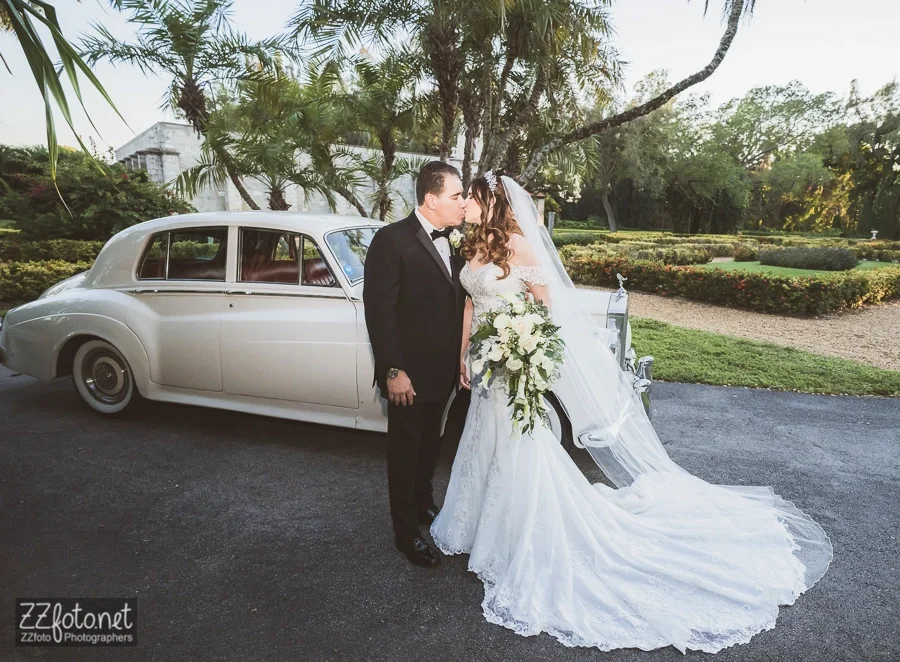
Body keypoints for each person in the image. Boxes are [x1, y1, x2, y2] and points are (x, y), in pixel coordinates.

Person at [429, 172, 833, 654]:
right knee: (483, 439)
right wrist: (464, 354)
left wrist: (524, 347)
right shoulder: (472, 245)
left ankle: (519, 533)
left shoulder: (518, 245)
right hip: (483, 362)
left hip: (512, 360)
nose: (464, 205)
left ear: (490, 202)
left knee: (518, 443)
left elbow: (544, 307)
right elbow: (471, 305)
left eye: (469, 198)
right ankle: (478, 525)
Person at [363, 160, 467, 567]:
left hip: (444, 372)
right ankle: (405, 533)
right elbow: (380, 313)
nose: (462, 203)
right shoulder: (390, 240)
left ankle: (424, 503)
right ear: (431, 199)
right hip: (407, 373)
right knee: (405, 452)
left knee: (430, 445)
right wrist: (393, 370)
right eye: (456, 196)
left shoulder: (454, 241)